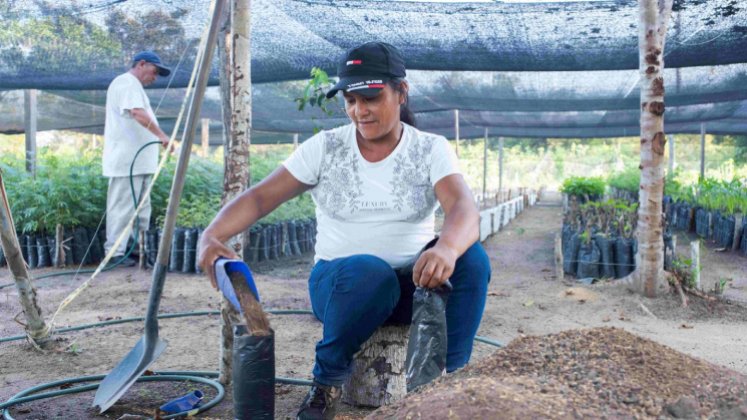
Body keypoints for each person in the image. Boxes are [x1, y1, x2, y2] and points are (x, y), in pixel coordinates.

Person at [198, 41, 490, 420]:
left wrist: (447, 248)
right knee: (369, 272)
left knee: (472, 259)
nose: (359, 111)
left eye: (370, 97)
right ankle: (326, 385)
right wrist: (211, 235)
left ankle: (448, 382)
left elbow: (464, 208)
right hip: (340, 288)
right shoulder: (327, 148)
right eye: (350, 100)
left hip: (411, 288)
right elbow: (259, 199)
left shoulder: (429, 149)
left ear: (401, 93)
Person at [103, 51, 172, 266]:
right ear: (141, 64)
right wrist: (162, 136)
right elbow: (137, 113)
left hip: (139, 162)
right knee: (122, 207)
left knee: (141, 208)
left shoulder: (135, 86)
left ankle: (135, 249)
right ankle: (115, 253)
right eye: (154, 71)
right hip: (126, 161)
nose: (155, 76)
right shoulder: (126, 82)